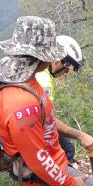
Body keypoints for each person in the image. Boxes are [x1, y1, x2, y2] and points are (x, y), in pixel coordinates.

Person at [0, 16, 93, 186]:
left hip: (34, 171)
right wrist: (69, 185)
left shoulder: (22, 78)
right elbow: (37, 158)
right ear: (39, 56)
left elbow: (44, 123)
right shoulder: (21, 101)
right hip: (40, 171)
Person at [35, 35, 86, 163]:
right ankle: (60, 178)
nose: (66, 73)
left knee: (66, 147)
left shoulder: (40, 72)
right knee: (67, 149)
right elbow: (48, 118)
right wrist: (80, 136)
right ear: (58, 61)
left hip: (32, 125)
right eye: (66, 69)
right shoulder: (44, 78)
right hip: (37, 127)